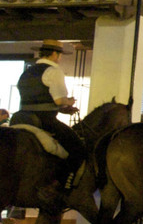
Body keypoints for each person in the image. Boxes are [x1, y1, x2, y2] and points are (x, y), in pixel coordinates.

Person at [10, 39, 87, 205]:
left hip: (21, 116)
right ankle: (60, 186)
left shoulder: (28, 72)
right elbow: (59, 100)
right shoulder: (53, 71)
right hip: (44, 120)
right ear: (54, 54)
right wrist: (69, 102)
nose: (59, 58)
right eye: (59, 55)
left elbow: (37, 100)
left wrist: (60, 108)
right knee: (78, 149)